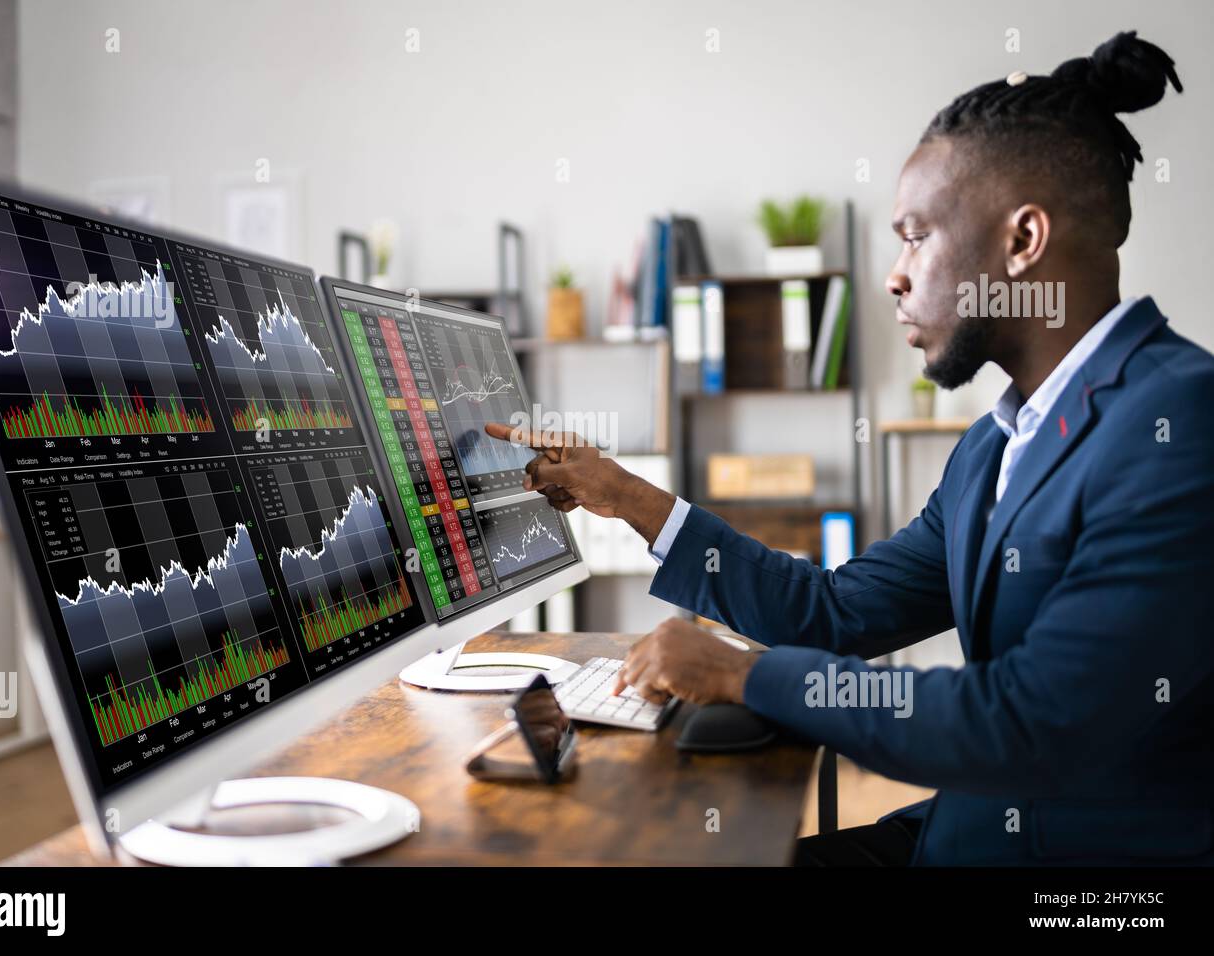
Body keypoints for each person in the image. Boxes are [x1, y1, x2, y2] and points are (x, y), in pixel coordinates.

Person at [486, 32, 1214, 866]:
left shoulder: (1181, 423)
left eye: (916, 236)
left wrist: (743, 677)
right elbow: (835, 615)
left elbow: (1028, 723)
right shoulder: (992, 449)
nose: (894, 276)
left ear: (1022, 243)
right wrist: (626, 495)